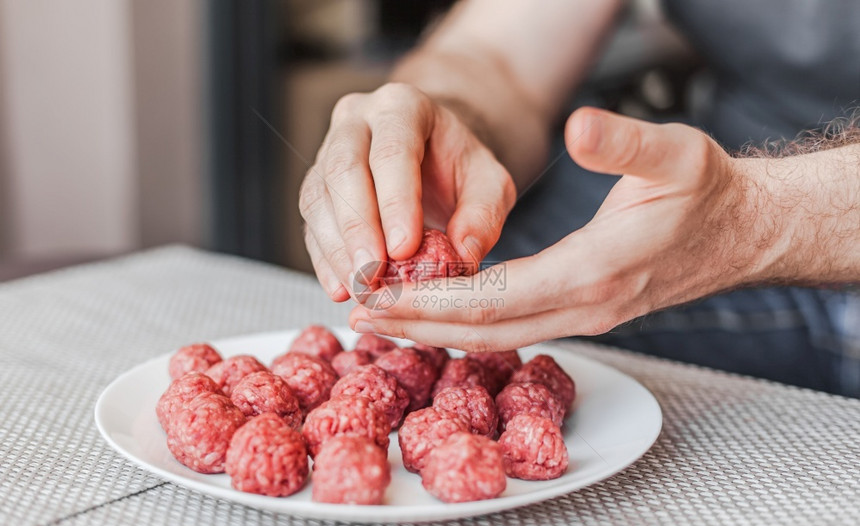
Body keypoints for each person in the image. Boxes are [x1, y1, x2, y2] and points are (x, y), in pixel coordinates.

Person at [298, 0, 860, 396]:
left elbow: (757, 215)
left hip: (788, 206)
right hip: (734, 172)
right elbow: (499, 58)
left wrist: (755, 219)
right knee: (490, 259)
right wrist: (444, 114)